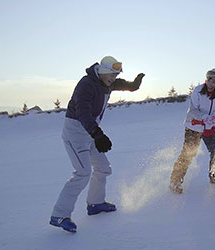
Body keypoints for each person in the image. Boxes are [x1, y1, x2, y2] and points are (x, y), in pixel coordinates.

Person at [50, 56, 145, 232]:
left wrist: (134, 85)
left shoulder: (107, 82)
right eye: (111, 74)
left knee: (103, 167)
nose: (113, 78)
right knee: (83, 172)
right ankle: (59, 215)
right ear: (102, 70)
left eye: (115, 75)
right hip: (76, 130)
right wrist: (97, 134)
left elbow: (124, 85)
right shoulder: (87, 84)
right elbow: (82, 112)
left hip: (90, 130)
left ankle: (95, 204)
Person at [169, 64, 215, 194]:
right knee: (188, 153)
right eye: (209, 79)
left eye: (214, 80)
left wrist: (210, 125)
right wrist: (205, 120)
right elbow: (193, 111)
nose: (211, 83)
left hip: (211, 129)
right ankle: (175, 181)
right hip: (193, 127)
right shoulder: (198, 91)